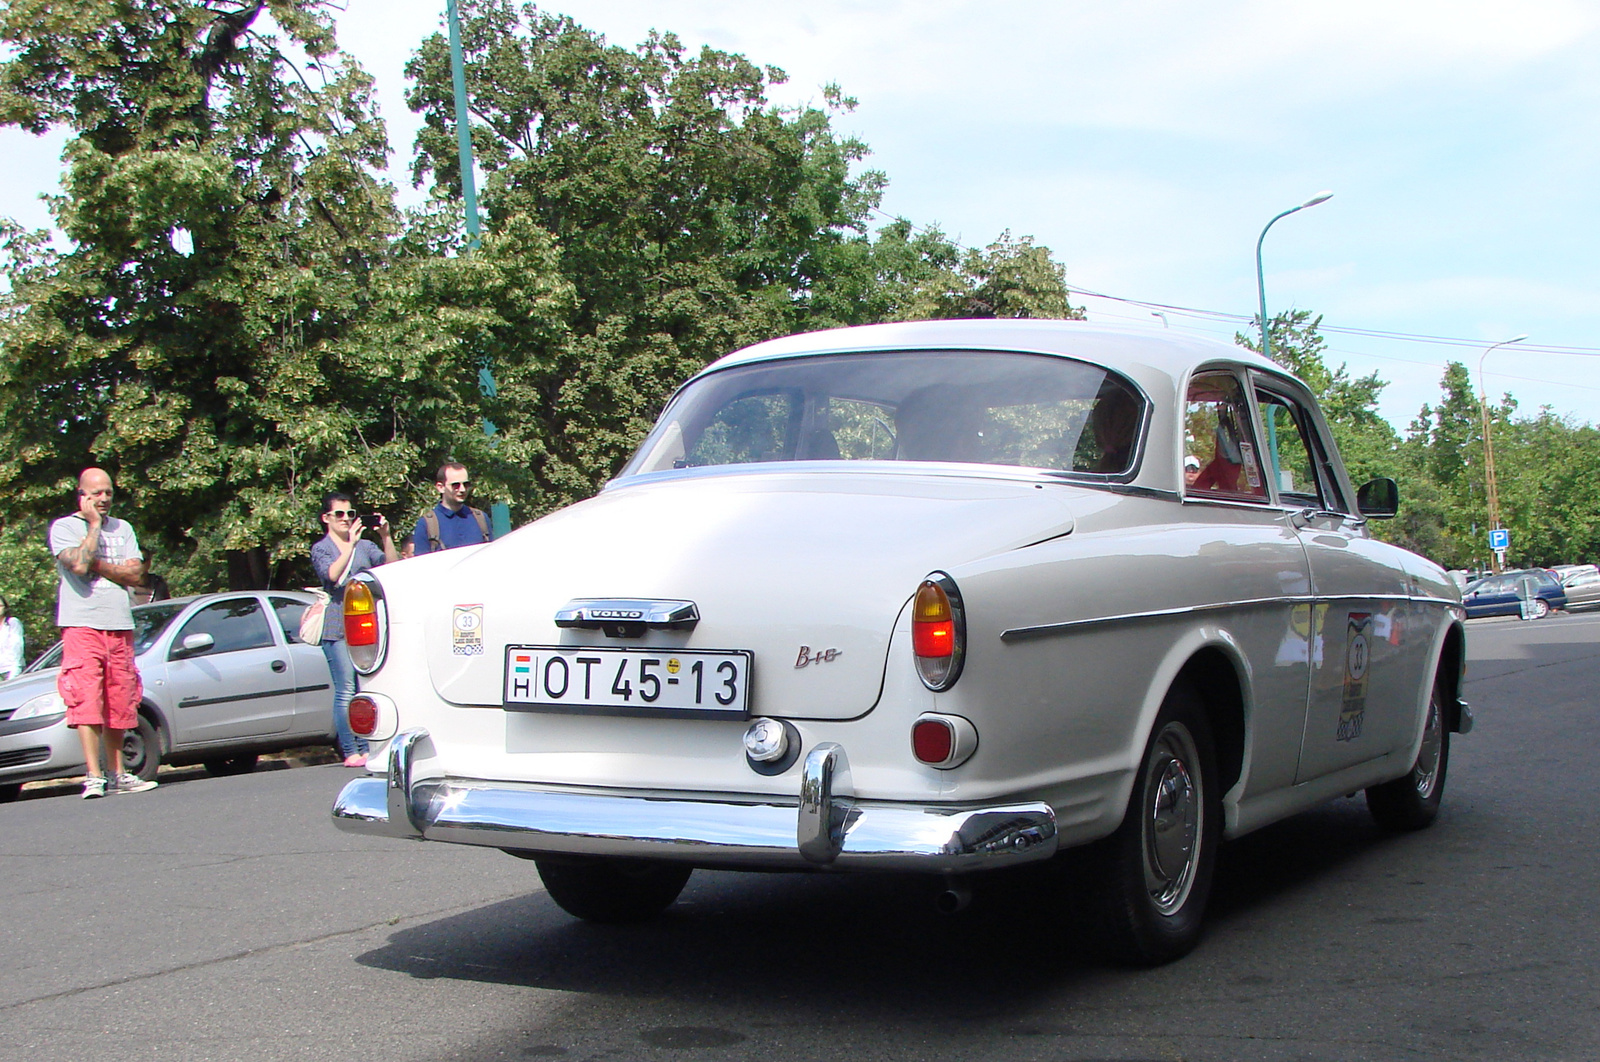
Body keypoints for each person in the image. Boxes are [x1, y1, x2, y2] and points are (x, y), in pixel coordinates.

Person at [48, 468, 158, 798]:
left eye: (108, 492)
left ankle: (118, 773)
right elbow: (79, 566)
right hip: (82, 623)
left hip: (119, 624)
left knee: (119, 698)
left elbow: (137, 573)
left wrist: (98, 563)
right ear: (81, 494)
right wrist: (94, 527)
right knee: (86, 699)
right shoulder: (65, 527)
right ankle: (94, 777)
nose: (104, 499)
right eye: (96, 493)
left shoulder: (123, 528)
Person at [311, 492, 398, 767]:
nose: (346, 519)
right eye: (340, 515)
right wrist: (349, 546)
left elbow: (393, 567)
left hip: (367, 626)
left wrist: (385, 537)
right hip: (337, 627)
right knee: (346, 688)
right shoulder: (322, 548)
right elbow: (332, 576)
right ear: (327, 519)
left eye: (350, 514)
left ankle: (368, 746)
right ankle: (350, 750)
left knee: (365, 687)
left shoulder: (365, 546)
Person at [410, 462, 490, 555]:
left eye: (466, 484)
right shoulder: (427, 524)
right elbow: (421, 565)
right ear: (440, 487)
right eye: (455, 485)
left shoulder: (481, 519)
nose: (462, 489)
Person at [0, 594, 24, 681]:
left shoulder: (12, 623)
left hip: (11, 670)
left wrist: (14, 672)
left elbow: (17, 647)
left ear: (5, 607)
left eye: (0, 606)